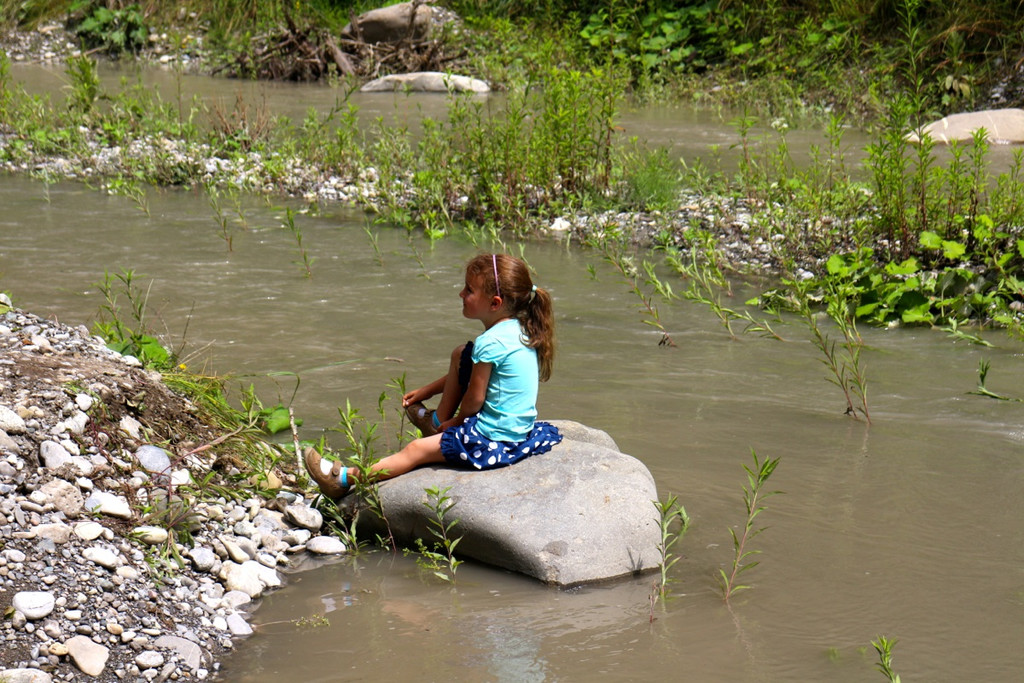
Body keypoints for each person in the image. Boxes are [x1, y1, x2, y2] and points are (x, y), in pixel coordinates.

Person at [305, 253, 562, 498]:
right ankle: (436, 422)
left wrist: (459, 420)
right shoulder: (521, 330)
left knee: (415, 450)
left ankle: (342, 480)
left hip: (493, 440)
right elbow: (473, 375)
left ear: (495, 303)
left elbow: (474, 398)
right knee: (463, 353)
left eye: (469, 290)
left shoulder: (491, 342)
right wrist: (428, 390)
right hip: (518, 432)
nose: (461, 293)